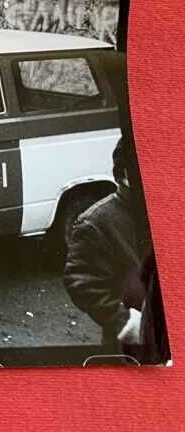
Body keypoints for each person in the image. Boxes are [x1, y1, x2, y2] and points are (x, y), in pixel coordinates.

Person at [64, 136, 156, 355]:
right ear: (125, 174)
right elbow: (81, 283)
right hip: (135, 345)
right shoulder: (95, 222)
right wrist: (125, 321)